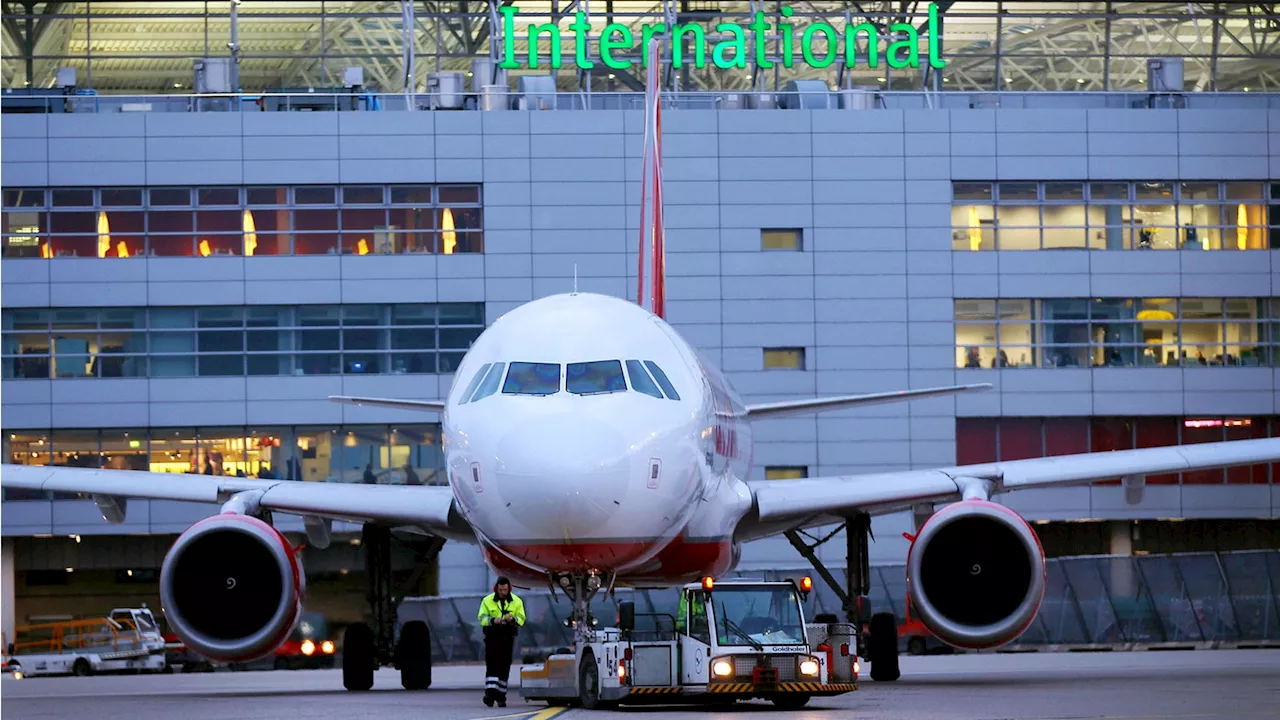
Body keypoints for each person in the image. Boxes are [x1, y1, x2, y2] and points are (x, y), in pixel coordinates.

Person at [477, 576, 525, 707]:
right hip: (492, 636)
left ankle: (501, 696)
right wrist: (493, 620)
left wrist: (513, 619)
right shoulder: (487, 601)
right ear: (496, 589)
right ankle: (490, 693)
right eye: (501, 590)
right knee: (492, 664)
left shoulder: (517, 601)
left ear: (509, 588)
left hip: (507, 636)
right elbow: (481, 618)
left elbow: (522, 618)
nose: (503, 592)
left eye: (505, 590)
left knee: (505, 665)